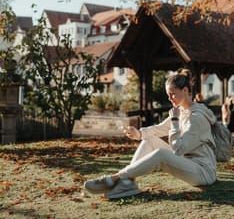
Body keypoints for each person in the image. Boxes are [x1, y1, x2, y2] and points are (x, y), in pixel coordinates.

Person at [84, 68, 217, 200]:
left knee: (161, 154)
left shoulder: (197, 118)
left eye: (173, 94)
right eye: (168, 95)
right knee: (150, 140)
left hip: (203, 172)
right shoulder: (181, 111)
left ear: (185, 90)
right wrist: (139, 133)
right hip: (188, 162)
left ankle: (116, 178)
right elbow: (159, 129)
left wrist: (175, 121)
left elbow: (179, 149)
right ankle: (128, 183)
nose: (170, 99)